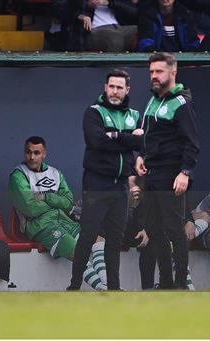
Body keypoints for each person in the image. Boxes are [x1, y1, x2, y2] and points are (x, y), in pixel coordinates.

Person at [68, 70, 145, 291]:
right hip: (96, 183)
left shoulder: (134, 114)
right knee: (88, 235)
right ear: (105, 87)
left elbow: (142, 145)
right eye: (111, 86)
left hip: (120, 185)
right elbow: (98, 142)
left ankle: (114, 288)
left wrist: (116, 135)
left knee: (115, 238)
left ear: (127, 90)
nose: (115, 91)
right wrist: (129, 138)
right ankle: (73, 286)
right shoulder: (94, 112)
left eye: (119, 87)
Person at [9, 136, 108, 291]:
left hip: (63, 220)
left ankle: (108, 284)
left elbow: (68, 202)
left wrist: (46, 197)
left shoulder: (55, 173)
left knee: (97, 238)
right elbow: (30, 208)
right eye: (28, 152)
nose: (32, 157)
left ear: (44, 154)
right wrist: (56, 202)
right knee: (76, 249)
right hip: (40, 226)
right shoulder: (18, 175)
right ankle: (104, 290)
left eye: (36, 152)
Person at [136, 52, 199, 289]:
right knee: (154, 228)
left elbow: (192, 143)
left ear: (173, 72)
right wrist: (141, 156)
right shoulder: (153, 100)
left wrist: (185, 172)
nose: (154, 76)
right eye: (151, 71)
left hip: (171, 174)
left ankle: (180, 283)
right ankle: (166, 283)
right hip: (151, 175)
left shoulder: (181, 103)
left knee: (174, 229)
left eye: (159, 71)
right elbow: (147, 136)